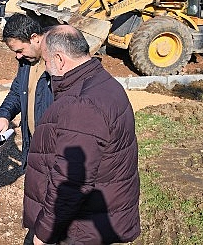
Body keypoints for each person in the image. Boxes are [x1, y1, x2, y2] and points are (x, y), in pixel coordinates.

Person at [23, 25, 141, 245]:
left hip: (78, 229)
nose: (46, 69)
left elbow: (71, 180)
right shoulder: (103, 82)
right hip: (95, 219)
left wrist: (45, 233)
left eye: (46, 62)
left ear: (59, 59)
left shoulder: (82, 104)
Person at [0, 13, 54, 167]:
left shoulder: (59, 63)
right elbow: (17, 93)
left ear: (34, 38)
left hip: (54, 154)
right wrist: (4, 116)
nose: (18, 57)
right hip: (33, 148)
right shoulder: (26, 62)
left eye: (20, 50)